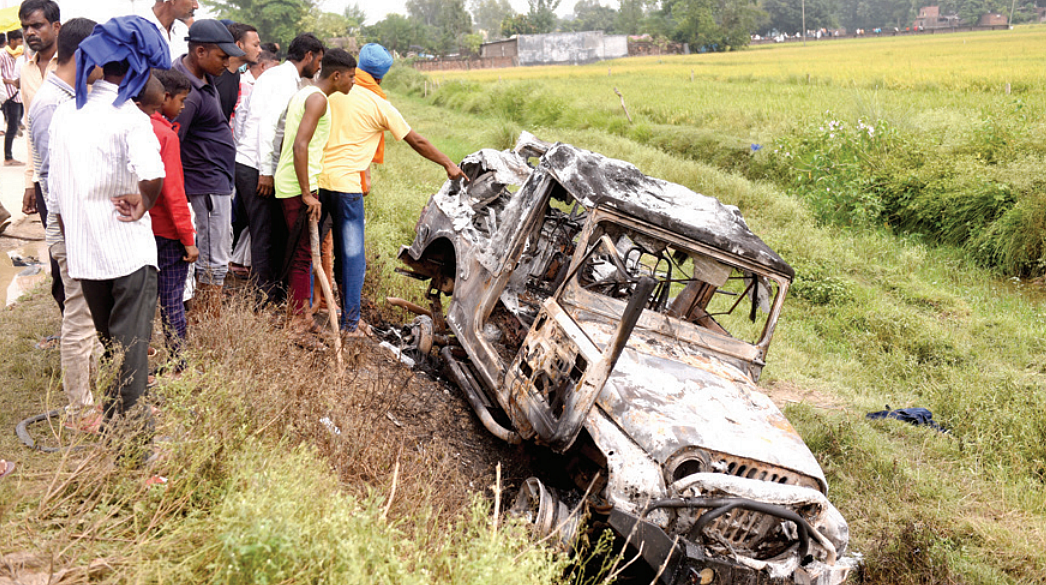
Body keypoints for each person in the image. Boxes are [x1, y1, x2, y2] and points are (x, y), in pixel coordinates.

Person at [49, 15, 169, 461]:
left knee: (114, 350)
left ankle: (117, 435)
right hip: (128, 254)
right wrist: (143, 200)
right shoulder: (129, 118)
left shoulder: (65, 114)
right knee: (131, 354)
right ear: (137, 68)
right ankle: (134, 454)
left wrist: (76, 242)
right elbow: (152, 174)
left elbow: (55, 196)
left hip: (86, 256)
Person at [319, 43, 465, 337]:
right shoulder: (378, 104)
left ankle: (309, 309)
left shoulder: (328, 92)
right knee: (352, 257)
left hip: (316, 184)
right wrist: (448, 164)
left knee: (313, 248)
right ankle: (349, 324)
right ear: (381, 76)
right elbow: (417, 141)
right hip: (347, 188)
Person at [28, 16, 101, 431]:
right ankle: (79, 410)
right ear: (85, 54)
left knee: (90, 314)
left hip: (82, 224)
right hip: (70, 227)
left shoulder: (73, 96)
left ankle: (93, 396)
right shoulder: (51, 104)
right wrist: (74, 236)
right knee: (79, 314)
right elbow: (54, 181)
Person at [233, 33, 323, 301]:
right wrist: (265, 170)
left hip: (251, 160)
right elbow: (268, 125)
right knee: (264, 234)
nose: (319, 67)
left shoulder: (278, 76)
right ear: (308, 56)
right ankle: (264, 298)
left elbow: (243, 115)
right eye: (318, 61)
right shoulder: (283, 80)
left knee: (268, 231)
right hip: (257, 166)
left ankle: (271, 293)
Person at [273, 48, 356, 336]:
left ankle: (302, 317)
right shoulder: (318, 99)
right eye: (351, 77)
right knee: (302, 256)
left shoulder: (305, 94)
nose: (353, 82)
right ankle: (298, 322)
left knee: (302, 254)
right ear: (337, 76)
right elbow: (300, 145)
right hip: (298, 186)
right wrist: (307, 193)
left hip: (293, 181)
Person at [171, 20, 245, 316]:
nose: (227, 63)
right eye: (222, 57)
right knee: (214, 257)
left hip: (216, 181)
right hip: (206, 183)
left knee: (216, 252)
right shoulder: (186, 93)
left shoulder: (204, 78)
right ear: (200, 51)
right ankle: (208, 320)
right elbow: (172, 143)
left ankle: (205, 314)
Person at [137, 69, 197, 374]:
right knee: (172, 300)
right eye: (181, 100)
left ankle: (137, 362)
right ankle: (178, 364)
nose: (183, 107)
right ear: (164, 97)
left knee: (141, 301)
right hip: (166, 232)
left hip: (137, 229)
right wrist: (188, 238)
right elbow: (174, 192)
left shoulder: (133, 126)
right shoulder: (165, 136)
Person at [19, 0, 64, 324]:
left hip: (76, 172)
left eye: (37, 25)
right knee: (57, 252)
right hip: (45, 178)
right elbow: (29, 128)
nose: (30, 32)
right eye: (26, 27)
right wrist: (29, 181)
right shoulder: (26, 70)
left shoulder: (75, 62)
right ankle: (70, 325)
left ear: (56, 26)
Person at [214, 22, 260, 122]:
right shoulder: (214, 74)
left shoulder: (236, 75)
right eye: (255, 45)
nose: (260, 50)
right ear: (239, 45)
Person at [0, 29, 25, 166]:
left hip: (19, 94)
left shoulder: (18, 56)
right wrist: (11, 81)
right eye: (20, 41)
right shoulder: (3, 55)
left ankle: (9, 156)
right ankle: (8, 157)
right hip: (10, 95)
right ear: (12, 41)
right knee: (12, 126)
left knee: (15, 124)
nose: (21, 44)